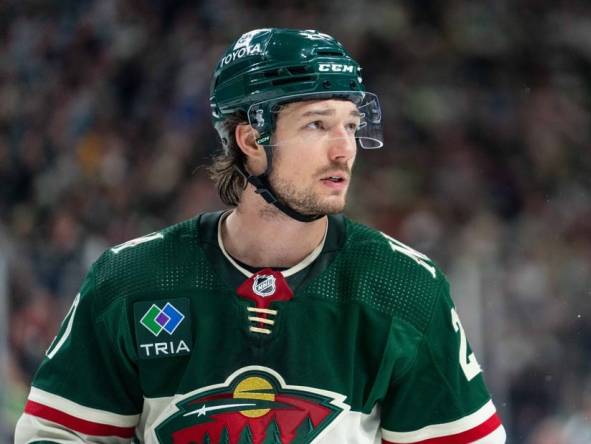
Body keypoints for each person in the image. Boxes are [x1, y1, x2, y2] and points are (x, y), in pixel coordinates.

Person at [15, 28, 505, 443]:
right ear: (250, 138)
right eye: (317, 125)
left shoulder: (405, 288)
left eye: (350, 126)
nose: (344, 151)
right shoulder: (129, 280)